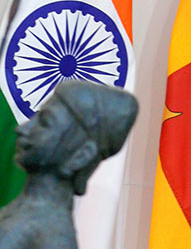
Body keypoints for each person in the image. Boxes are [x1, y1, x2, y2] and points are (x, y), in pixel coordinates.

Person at [0, 81, 138, 249]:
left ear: (81, 155)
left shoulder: (53, 235)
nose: (22, 129)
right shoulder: (23, 213)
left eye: (44, 123)